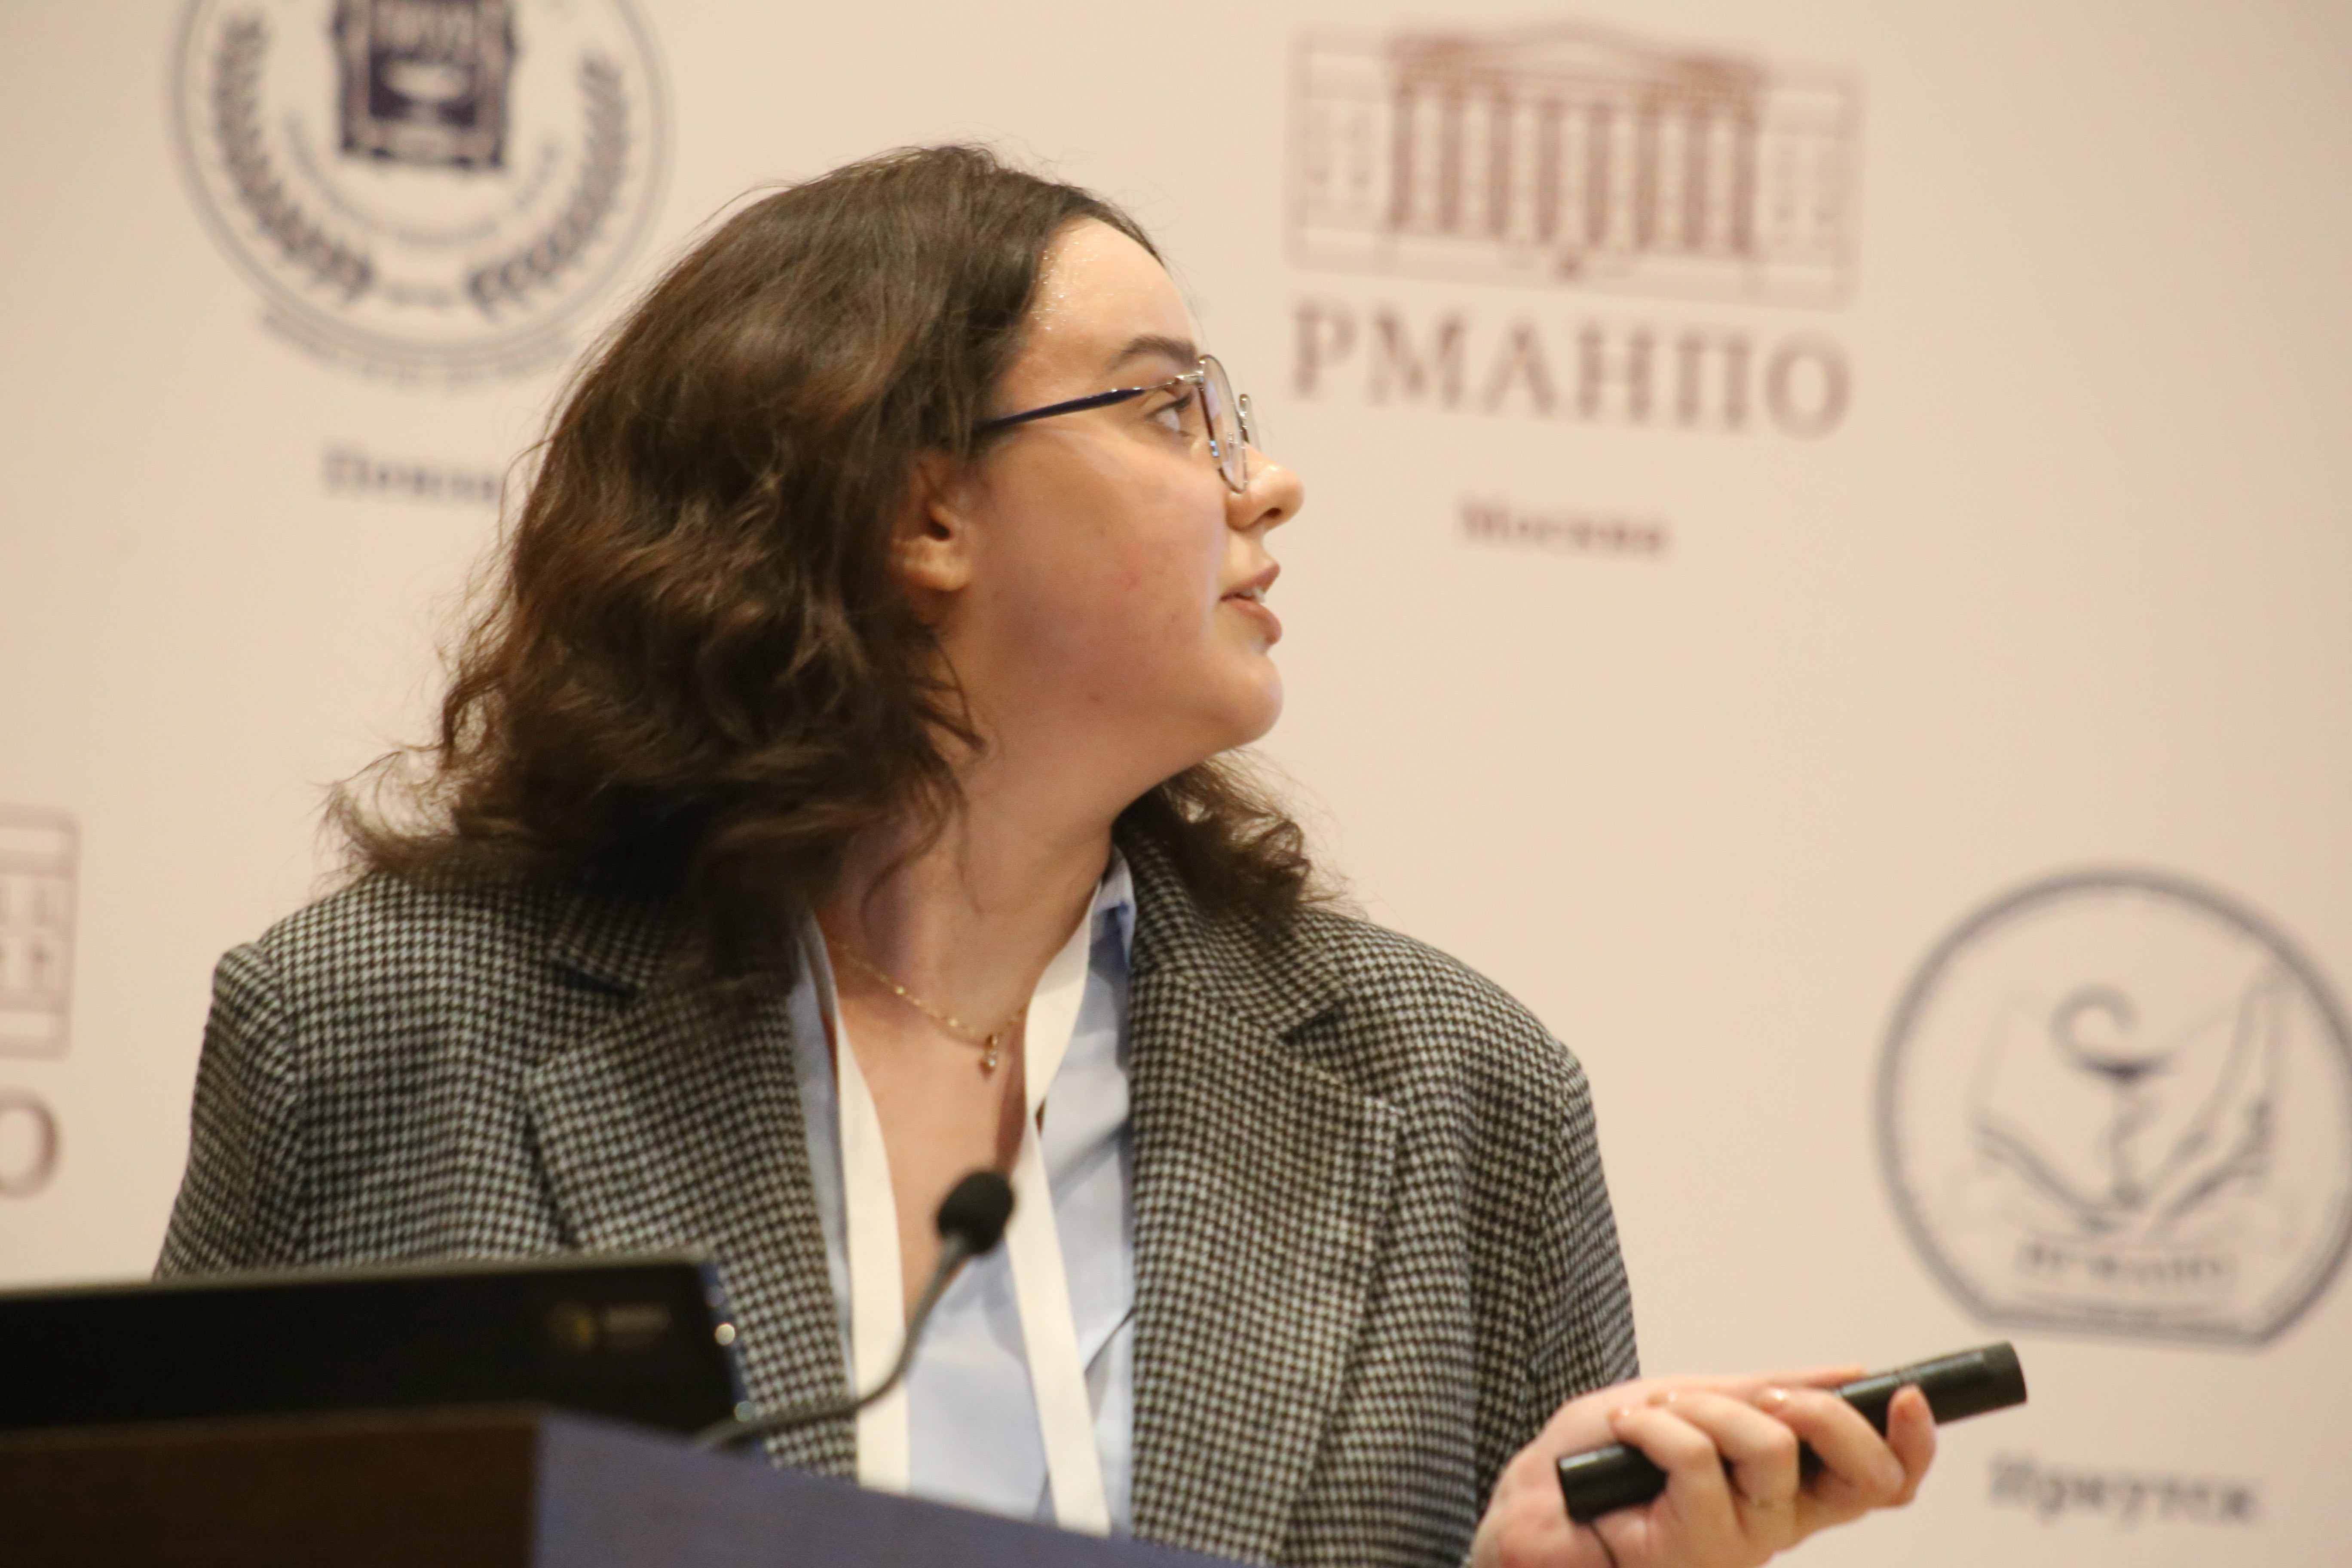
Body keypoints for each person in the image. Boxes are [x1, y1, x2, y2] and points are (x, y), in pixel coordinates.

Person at [159, 146, 1934, 1568]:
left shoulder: (1463, 1093)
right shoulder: (379, 1031)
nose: (1266, 482)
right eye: (1168, 412)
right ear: (922, 508)